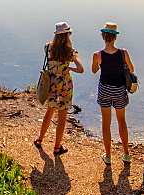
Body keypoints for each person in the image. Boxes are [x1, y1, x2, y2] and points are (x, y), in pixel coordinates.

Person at [35, 22, 84, 155]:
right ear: (68, 35)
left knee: (49, 111)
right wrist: (69, 68)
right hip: (65, 86)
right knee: (62, 116)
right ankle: (57, 147)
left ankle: (40, 140)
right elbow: (81, 69)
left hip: (51, 83)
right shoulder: (71, 52)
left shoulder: (47, 48)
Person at [92, 22, 134, 164]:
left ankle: (108, 155)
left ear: (103, 37)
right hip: (119, 89)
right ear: (115, 38)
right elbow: (132, 70)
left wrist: (100, 64)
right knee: (121, 120)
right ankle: (126, 154)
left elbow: (94, 70)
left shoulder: (98, 55)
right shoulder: (123, 53)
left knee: (106, 122)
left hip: (105, 89)